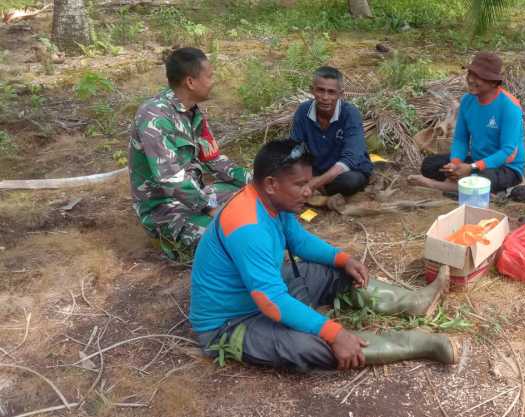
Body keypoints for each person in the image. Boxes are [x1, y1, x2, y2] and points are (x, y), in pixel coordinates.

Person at [189, 139, 460, 372]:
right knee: (306, 346)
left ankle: (414, 302)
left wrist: (343, 259)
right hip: (231, 322)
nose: (309, 191)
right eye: (300, 184)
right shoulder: (248, 226)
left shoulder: (273, 201)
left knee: (331, 271)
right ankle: (413, 343)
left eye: (308, 182)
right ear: (271, 184)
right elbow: (271, 302)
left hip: (261, 291)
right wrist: (335, 333)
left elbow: (299, 241)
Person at [129, 47, 250, 261]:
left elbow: (213, 159)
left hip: (196, 196)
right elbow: (170, 179)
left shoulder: (192, 112)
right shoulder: (154, 117)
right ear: (191, 82)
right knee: (228, 241)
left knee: (251, 199)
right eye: (209, 76)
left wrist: (255, 182)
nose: (213, 82)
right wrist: (211, 209)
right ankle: (172, 241)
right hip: (164, 209)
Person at [408, 52, 525, 194]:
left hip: (506, 167)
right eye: (470, 74)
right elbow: (460, 139)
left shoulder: (510, 107)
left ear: (493, 82)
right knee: (429, 165)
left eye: (477, 77)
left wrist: (472, 168)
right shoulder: (467, 101)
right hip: (477, 160)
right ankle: (460, 181)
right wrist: (455, 164)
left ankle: (435, 185)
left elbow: (507, 152)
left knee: (484, 180)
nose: (470, 79)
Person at [289, 66, 373, 197]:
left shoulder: (350, 114)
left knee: (350, 181)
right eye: (320, 90)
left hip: (347, 171)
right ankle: (320, 189)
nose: (325, 97)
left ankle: (319, 189)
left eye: (331, 92)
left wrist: (315, 183)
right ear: (312, 90)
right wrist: (308, 176)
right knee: (281, 169)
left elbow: (351, 157)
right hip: (317, 170)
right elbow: (295, 148)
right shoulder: (303, 111)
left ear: (341, 94)